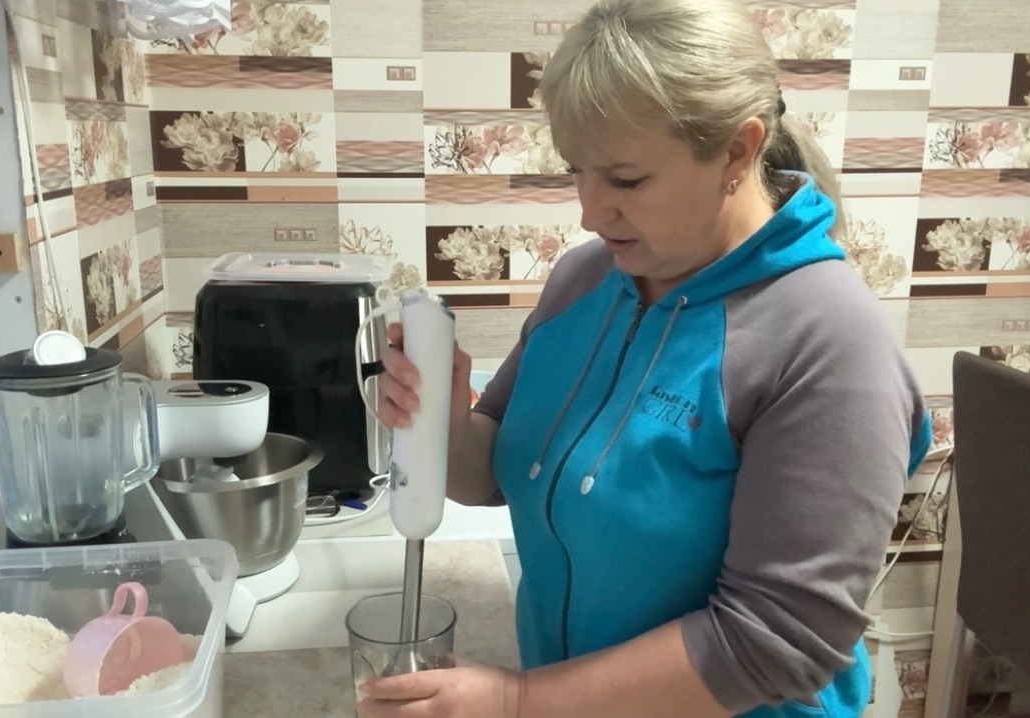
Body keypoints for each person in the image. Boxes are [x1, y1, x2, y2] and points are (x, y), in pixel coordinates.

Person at [360, 0, 933, 716]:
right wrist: (439, 421)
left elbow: (782, 638)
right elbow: (495, 474)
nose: (589, 212)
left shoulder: (830, 341)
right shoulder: (584, 280)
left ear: (737, 150)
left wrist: (517, 701)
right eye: (577, 171)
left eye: (626, 181)